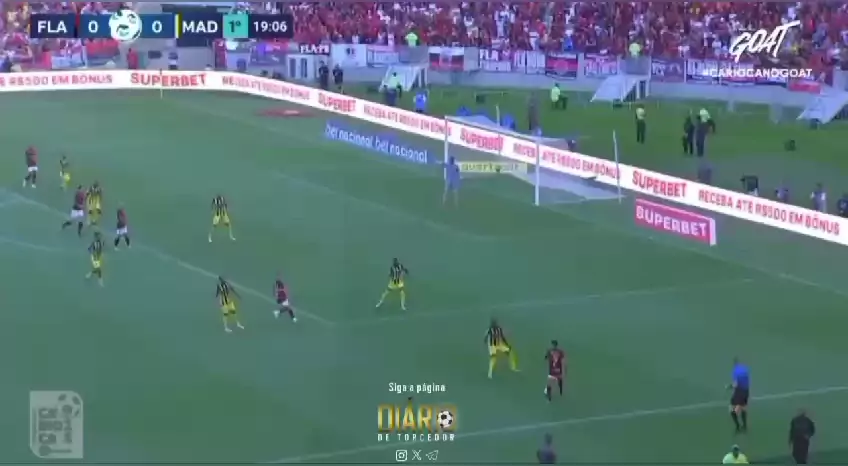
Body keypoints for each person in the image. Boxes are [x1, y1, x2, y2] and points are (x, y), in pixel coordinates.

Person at [727, 357, 750, 433]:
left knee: (732, 409)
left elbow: (735, 384)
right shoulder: (745, 369)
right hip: (746, 391)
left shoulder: (735, 372)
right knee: (743, 408)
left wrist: (729, 386)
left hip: (739, 392)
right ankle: (745, 425)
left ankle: (737, 426)